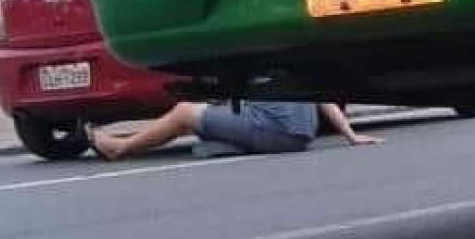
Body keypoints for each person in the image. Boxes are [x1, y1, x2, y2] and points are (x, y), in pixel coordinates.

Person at [88, 100, 382, 160]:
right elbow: (324, 97)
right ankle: (225, 144)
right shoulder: (295, 47)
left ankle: (120, 147)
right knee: (208, 114)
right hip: (303, 133)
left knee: (184, 112)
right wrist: (350, 134)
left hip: (274, 130)